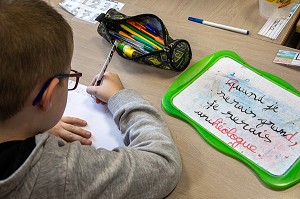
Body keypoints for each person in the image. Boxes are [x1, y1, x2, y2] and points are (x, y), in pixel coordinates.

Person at [0, 1, 182, 198]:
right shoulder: (59, 173)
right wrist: (120, 97)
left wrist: (28, 125)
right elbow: (163, 164)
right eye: (68, 76)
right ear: (48, 96)